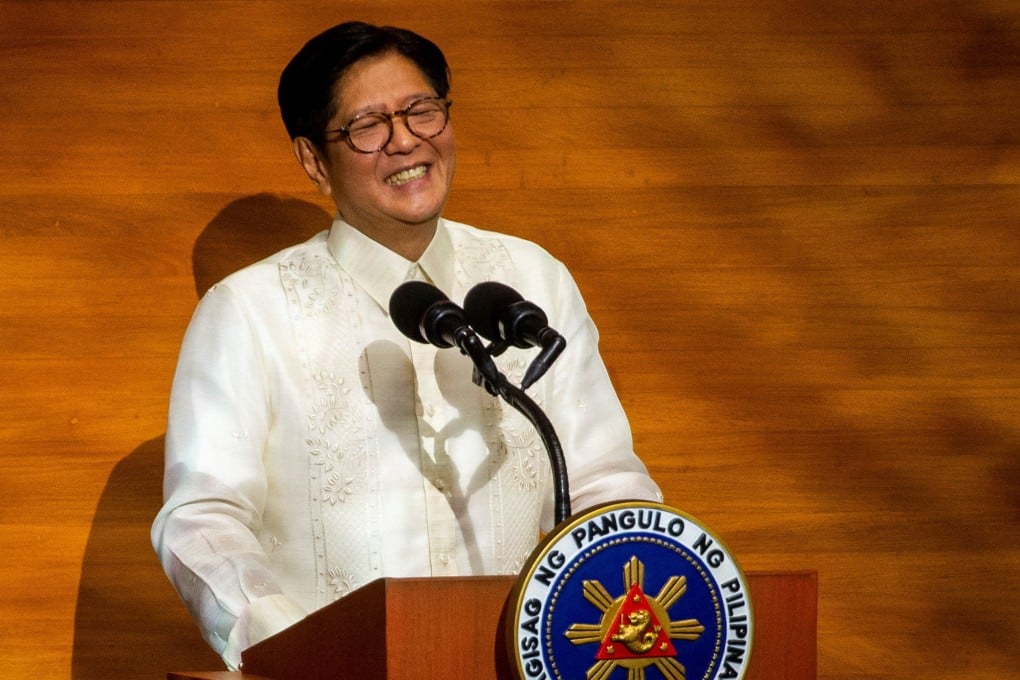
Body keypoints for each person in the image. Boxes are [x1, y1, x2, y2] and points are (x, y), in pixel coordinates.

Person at [151, 21, 662, 669]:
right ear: (315, 160)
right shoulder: (248, 311)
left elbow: (601, 479)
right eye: (368, 125)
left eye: (422, 110)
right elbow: (202, 517)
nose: (405, 141)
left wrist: (635, 614)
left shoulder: (531, 279)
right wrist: (296, 648)